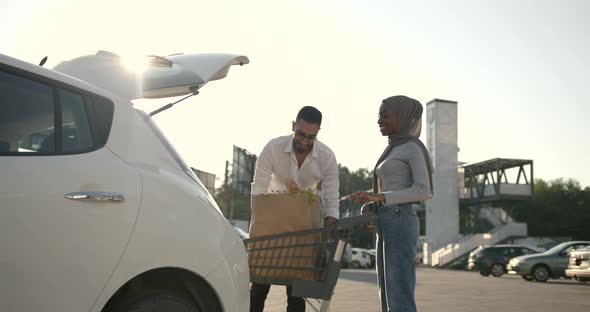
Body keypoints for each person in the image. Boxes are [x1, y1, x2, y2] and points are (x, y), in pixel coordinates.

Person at [250, 106, 340, 312]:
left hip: (303, 226)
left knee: (297, 291)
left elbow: (332, 195)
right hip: (272, 222)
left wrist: (330, 224)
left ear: (318, 133)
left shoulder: (327, 157)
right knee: (259, 287)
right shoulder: (273, 147)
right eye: (300, 134)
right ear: (293, 126)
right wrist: (257, 227)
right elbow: (258, 189)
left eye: (311, 137)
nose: (304, 141)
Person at [350, 95, 433, 312]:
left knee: (399, 294)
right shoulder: (393, 148)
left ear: (403, 116)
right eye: (378, 116)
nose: (379, 120)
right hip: (386, 219)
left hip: (400, 218)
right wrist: (370, 205)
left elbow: (423, 190)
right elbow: (388, 191)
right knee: (386, 293)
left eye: (385, 116)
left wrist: (380, 197)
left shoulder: (412, 148)